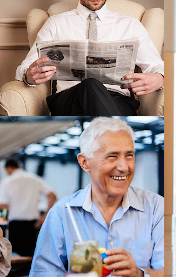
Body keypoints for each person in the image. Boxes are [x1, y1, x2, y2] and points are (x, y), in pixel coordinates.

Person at [16, 0, 164, 116]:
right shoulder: (55, 23)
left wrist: (158, 78)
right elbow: (25, 67)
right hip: (69, 99)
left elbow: (157, 66)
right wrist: (29, 76)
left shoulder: (130, 24)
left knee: (93, 89)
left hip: (117, 100)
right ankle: (120, 134)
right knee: (90, 85)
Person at [29, 117, 164, 277]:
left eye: (129, 155)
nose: (124, 167)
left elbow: (172, 271)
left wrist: (139, 274)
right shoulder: (62, 214)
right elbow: (42, 274)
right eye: (112, 156)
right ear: (84, 163)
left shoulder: (156, 208)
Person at [0, 158, 57, 256]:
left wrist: (3, 225)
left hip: (14, 226)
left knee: (14, 259)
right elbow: (52, 195)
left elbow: (3, 206)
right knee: (30, 257)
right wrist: (44, 217)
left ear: (8, 168)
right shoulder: (34, 178)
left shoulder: (7, 182)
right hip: (32, 225)